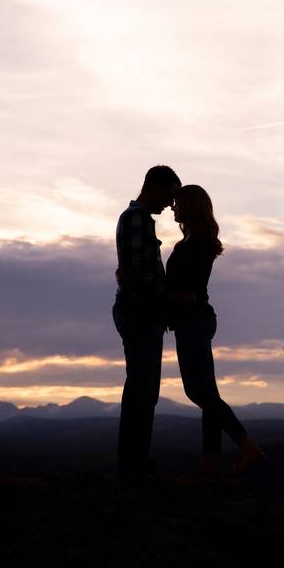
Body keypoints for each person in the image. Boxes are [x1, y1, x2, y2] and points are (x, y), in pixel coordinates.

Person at [167, 184, 266, 480]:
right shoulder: (199, 241)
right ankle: (211, 461)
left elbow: (187, 293)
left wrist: (154, 290)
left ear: (191, 207)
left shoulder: (194, 245)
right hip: (198, 321)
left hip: (193, 322)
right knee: (207, 393)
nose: (173, 208)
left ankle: (247, 447)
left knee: (198, 392)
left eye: (178, 203)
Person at [112, 165, 181, 481]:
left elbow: (133, 271)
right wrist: (171, 298)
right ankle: (135, 463)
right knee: (143, 389)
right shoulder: (137, 219)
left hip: (138, 312)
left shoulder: (133, 218)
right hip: (141, 314)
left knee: (142, 388)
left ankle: (134, 460)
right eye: (169, 194)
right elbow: (140, 274)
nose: (170, 204)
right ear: (155, 186)